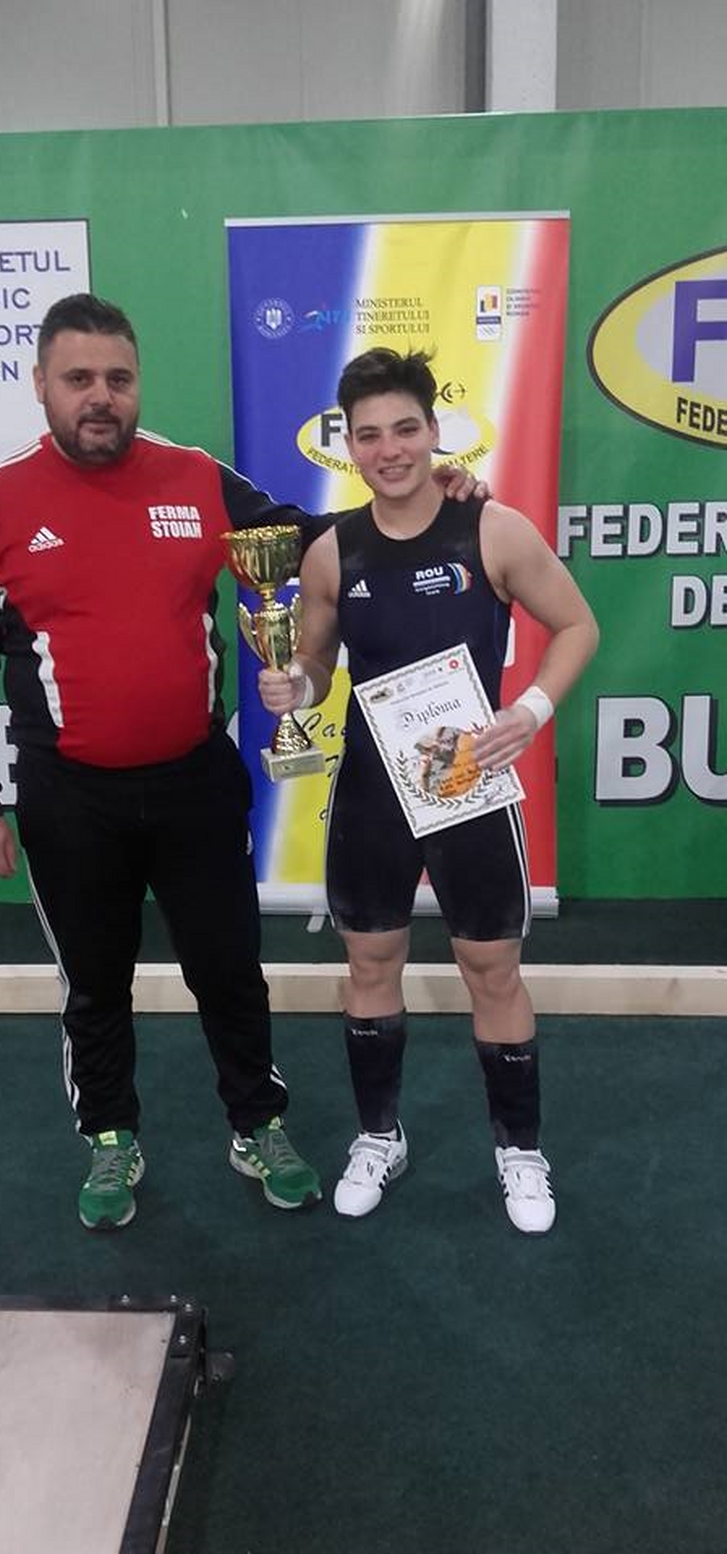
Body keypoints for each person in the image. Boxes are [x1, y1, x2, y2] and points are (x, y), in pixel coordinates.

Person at [0, 296, 481, 1233]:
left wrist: (429, 500)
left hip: (195, 781)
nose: (101, 397)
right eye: (78, 379)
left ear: (137, 383)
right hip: (68, 794)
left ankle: (257, 1124)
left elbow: (318, 539)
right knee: (94, 982)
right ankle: (110, 1136)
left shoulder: (195, 478)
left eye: (118, 378)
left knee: (229, 970)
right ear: (41, 386)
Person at [258, 346, 599, 1234]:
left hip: (467, 783)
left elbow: (576, 625)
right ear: (348, 445)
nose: (389, 449)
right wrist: (294, 684)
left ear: (433, 431)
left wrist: (528, 710)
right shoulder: (330, 552)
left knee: (491, 968)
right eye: (369, 435)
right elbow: (318, 664)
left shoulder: (491, 530)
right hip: (372, 790)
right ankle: (379, 1136)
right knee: (369, 965)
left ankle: (519, 1151)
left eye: (404, 429)